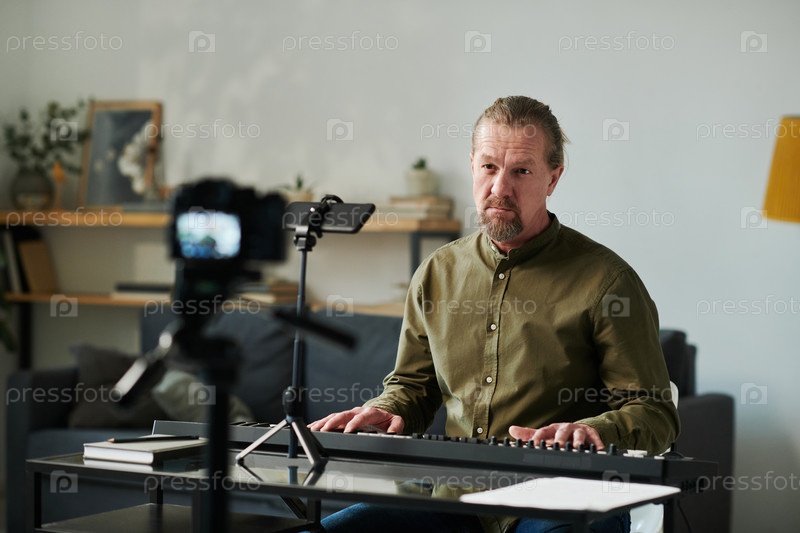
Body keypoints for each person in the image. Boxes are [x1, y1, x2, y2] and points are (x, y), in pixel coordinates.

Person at [308, 96, 680, 533]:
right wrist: (388, 409)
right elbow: (413, 386)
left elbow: (654, 411)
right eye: (489, 167)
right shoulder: (437, 273)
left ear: (553, 178)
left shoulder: (609, 282)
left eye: (521, 171)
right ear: (472, 166)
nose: (500, 188)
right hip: (456, 502)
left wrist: (593, 431)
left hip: (563, 497)